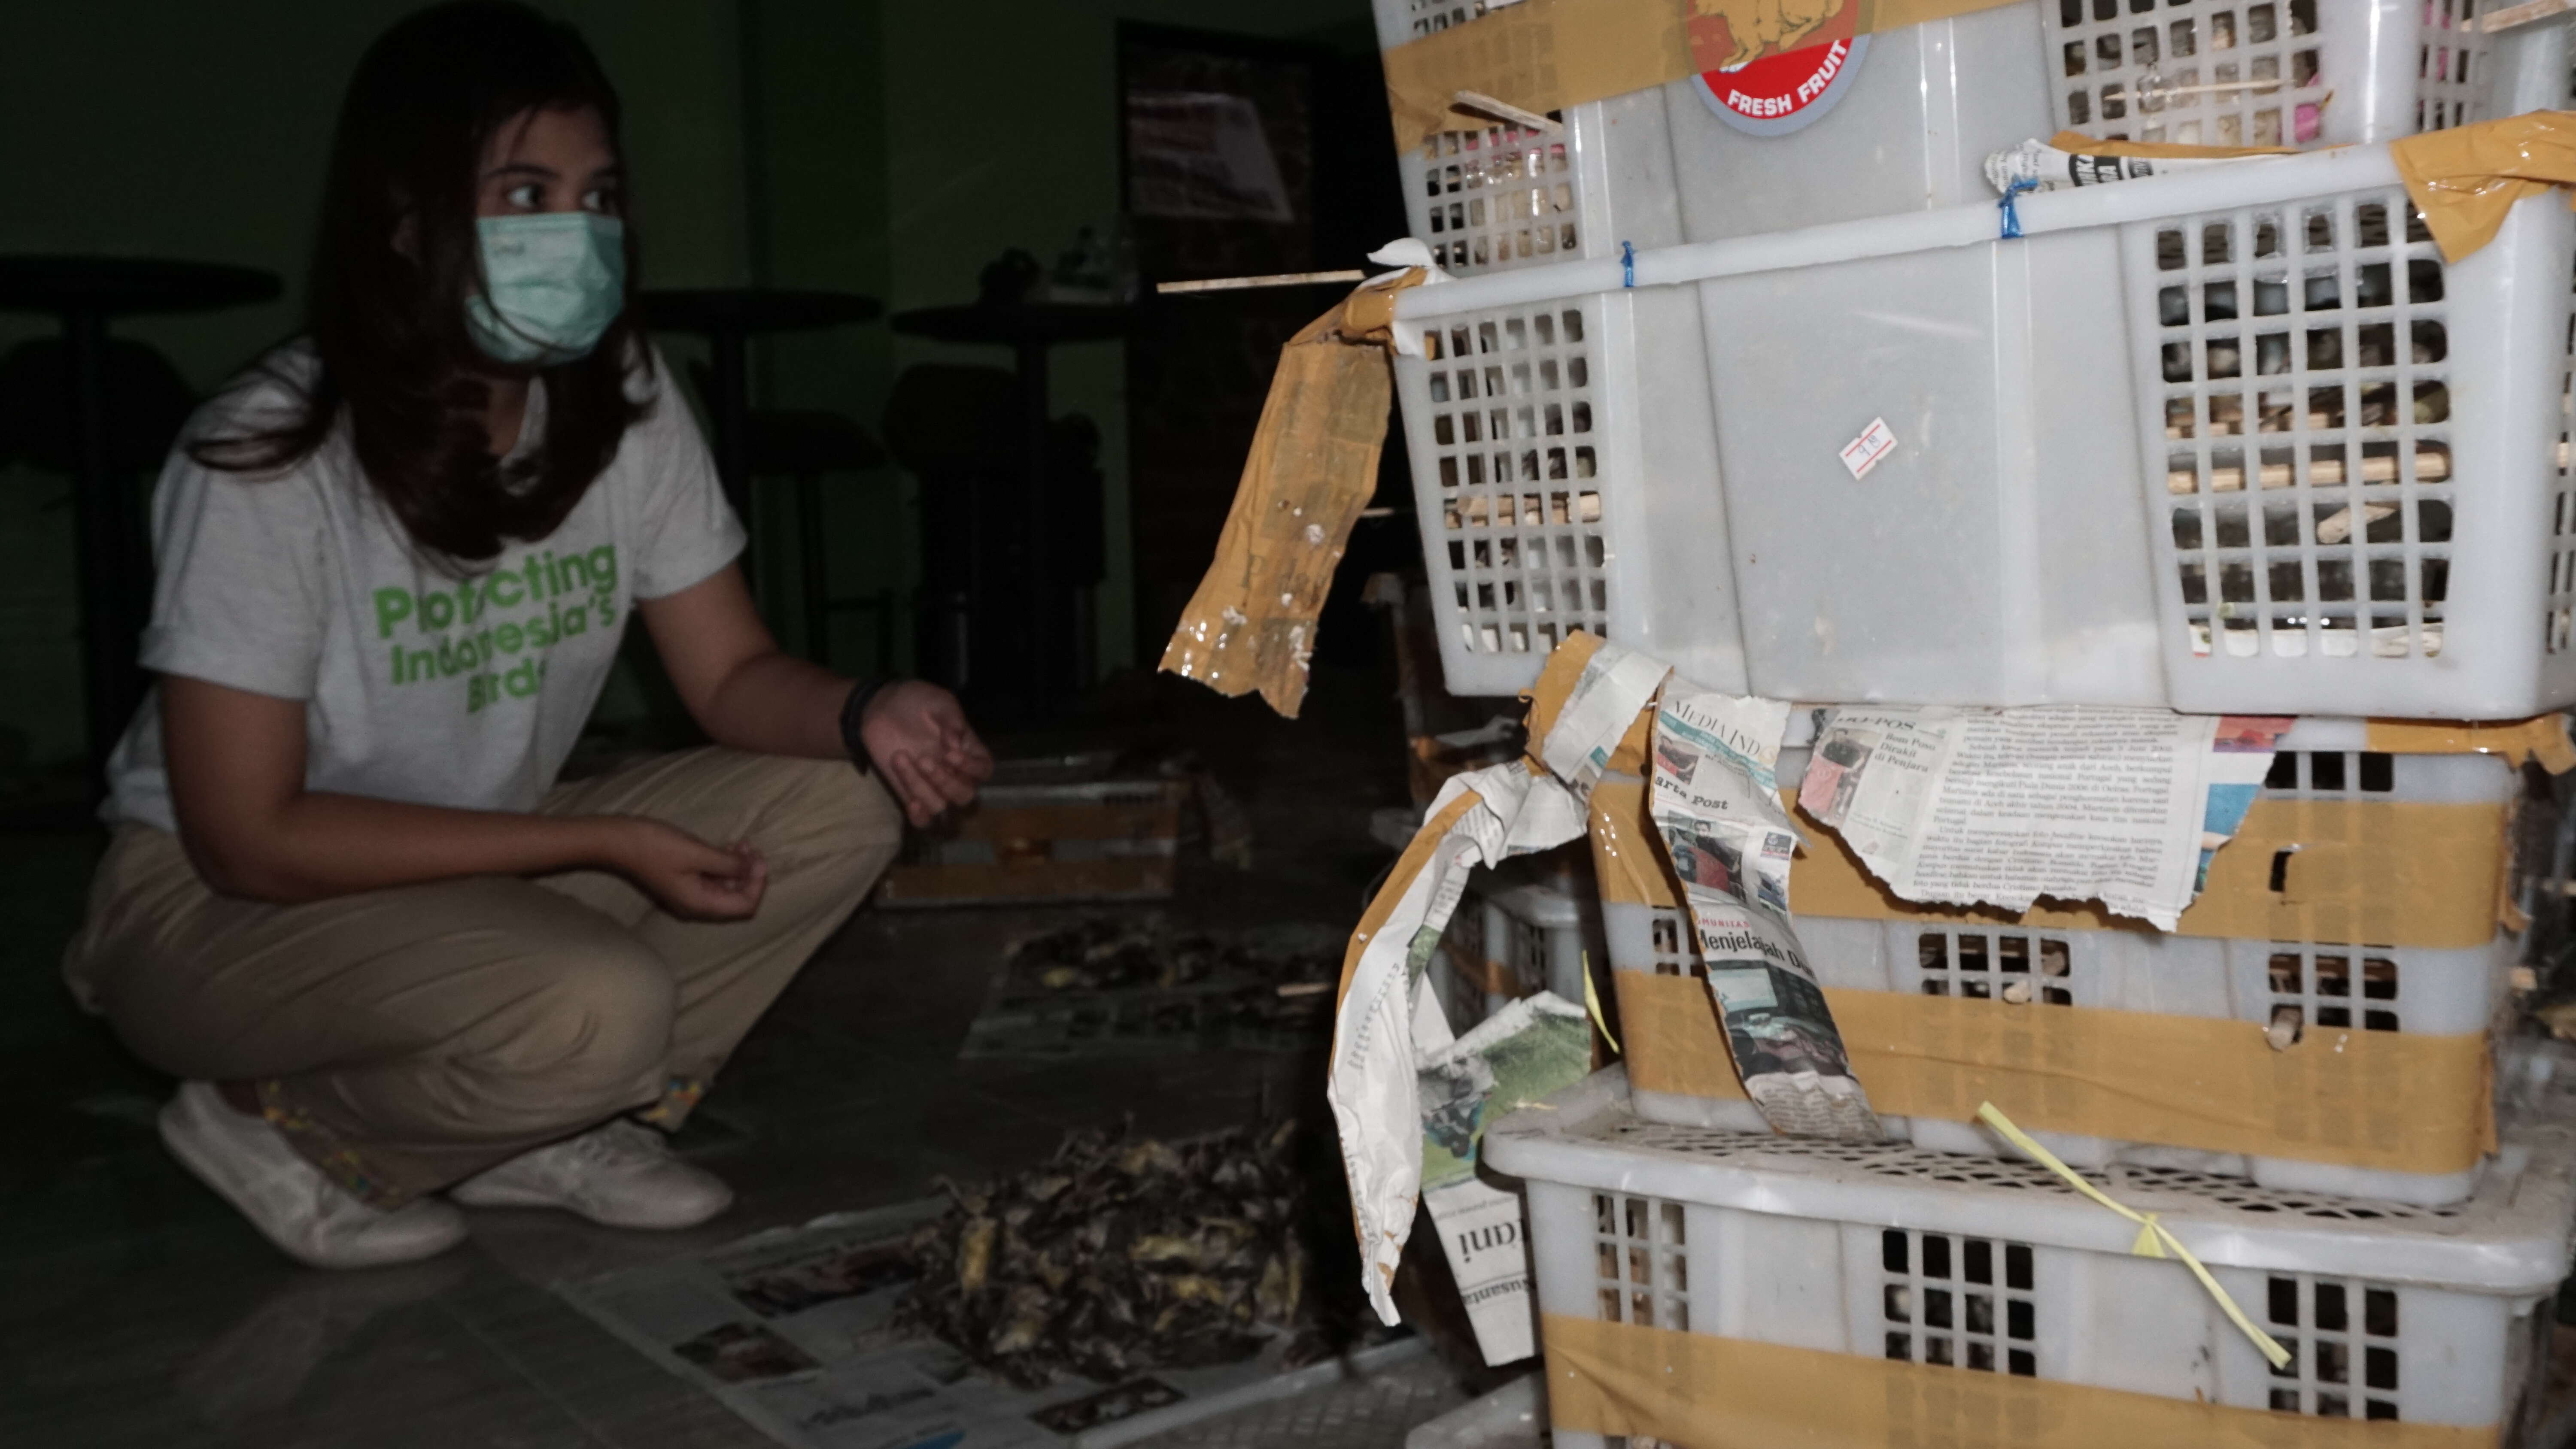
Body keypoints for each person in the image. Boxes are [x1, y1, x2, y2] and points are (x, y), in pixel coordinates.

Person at [59, 1, 992, 1270]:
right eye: (525, 193)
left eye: (600, 196)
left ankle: (547, 1121)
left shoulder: (627, 401)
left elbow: (729, 677)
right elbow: (250, 838)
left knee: (841, 799)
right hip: (206, 907)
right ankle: (286, 1129)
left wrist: (865, 707)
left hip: (461, 867)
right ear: (405, 221)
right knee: (596, 999)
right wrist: (600, 836)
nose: (579, 234)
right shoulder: (265, 459)